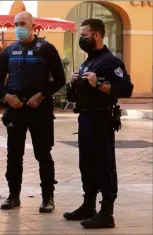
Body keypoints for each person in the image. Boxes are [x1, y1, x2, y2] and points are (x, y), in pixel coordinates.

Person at [0, 11, 66, 213]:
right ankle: (13, 195)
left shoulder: (47, 49)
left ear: (33, 26)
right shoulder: (8, 51)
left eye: (23, 24)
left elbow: (60, 79)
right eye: (16, 24)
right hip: (16, 109)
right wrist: (7, 97)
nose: (18, 28)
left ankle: (48, 198)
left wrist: (42, 95)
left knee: (43, 154)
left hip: (39, 110)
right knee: (13, 155)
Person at [64, 18, 134, 229]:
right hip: (85, 117)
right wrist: (74, 82)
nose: (81, 39)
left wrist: (99, 83)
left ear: (96, 35)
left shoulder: (110, 62)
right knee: (86, 163)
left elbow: (126, 89)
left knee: (104, 164)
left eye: (84, 35)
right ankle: (88, 205)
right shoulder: (88, 61)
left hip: (102, 118)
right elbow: (74, 95)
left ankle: (106, 212)